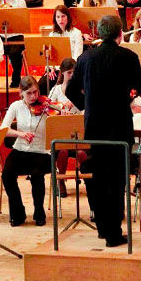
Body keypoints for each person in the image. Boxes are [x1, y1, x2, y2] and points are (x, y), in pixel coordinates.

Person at [66, 15, 141, 247]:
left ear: (98, 33)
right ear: (119, 35)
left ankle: (103, 228)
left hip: (95, 126)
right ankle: (114, 233)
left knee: (99, 176)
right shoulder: (128, 57)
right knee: (117, 179)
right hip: (119, 126)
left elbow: (69, 91)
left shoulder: (85, 58)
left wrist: (88, 106)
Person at [0, 76, 53, 227]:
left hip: (42, 151)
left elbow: (57, 125)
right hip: (20, 149)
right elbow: (3, 129)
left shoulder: (46, 106)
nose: (33, 97)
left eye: (35, 92)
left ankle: (39, 211)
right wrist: (20, 134)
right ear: (21, 93)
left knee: (37, 174)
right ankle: (18, 212)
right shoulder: (16, 106)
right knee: (7, 174)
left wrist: (59, 111)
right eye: (29, 93)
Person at [46, 58, 85, 198]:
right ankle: (60, 181)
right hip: (62, 132)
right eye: (69, 72)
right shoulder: (56, 89)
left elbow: (87, 108)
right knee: (62, 151)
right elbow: (48, 107)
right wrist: (60, 109)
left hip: (78, 131)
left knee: (81, 152)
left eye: (74, 72)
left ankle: (88, 179)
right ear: (62, 73)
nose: (72, 75)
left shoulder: (82, 89)